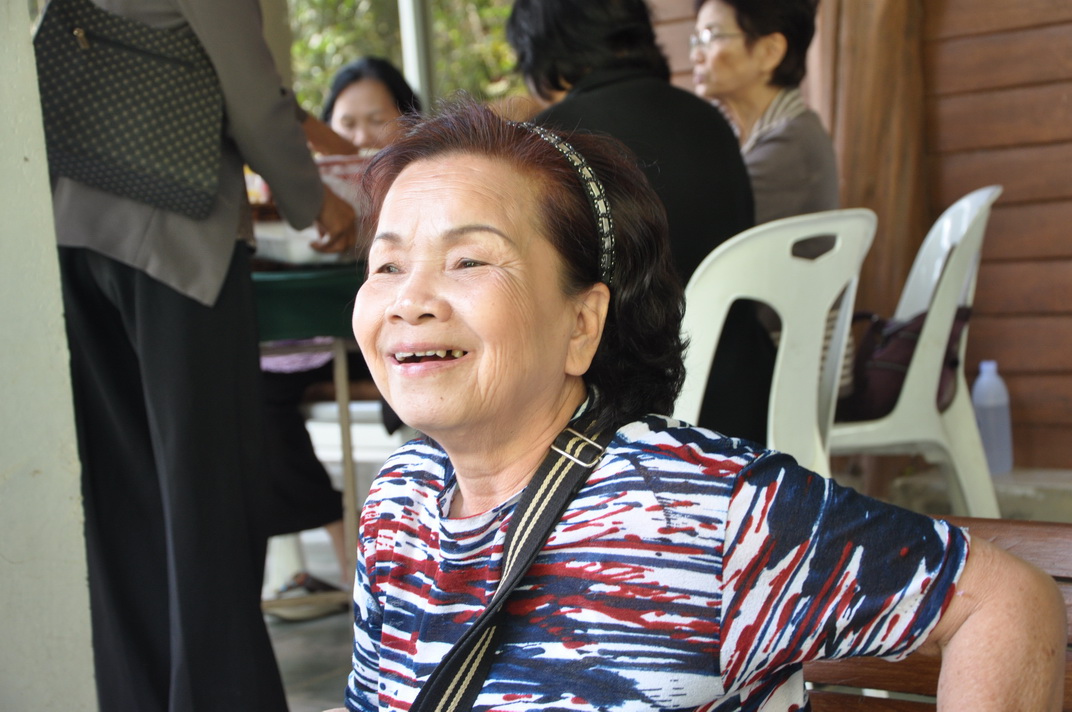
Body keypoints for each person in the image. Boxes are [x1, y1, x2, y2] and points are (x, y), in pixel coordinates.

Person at [333, 99, 1065, 711]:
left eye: (468, 260)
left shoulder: (702, 509)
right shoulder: (399, 502)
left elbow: (1007, 602)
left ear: (582, 324)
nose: (409, 300)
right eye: (388, 264)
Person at [51, 1, 355, 710]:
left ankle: (141, 695)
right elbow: (249, 87)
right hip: (175, 233)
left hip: (72, 224)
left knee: (124, 497)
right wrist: (314, 199)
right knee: (210, 491)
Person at [506, 0, 775, 445]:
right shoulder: (708, 120)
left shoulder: (551, 141)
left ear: (543, 46)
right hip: (745, 390)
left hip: (623, 415)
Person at [260, 57, 420, 613]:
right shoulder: (303, 190)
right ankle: (345, 541)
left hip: (388, 340)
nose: (359, 138)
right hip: (311, 345)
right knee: (257, 401)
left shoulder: (425, 184)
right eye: (345, 124)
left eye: (377, 120)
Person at [691, 0, 838, 226]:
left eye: (712, 36)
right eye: (697, 38)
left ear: (770, 51)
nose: (696, 56)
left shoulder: (793, 144)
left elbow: (698, 225)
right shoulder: (730, 128)